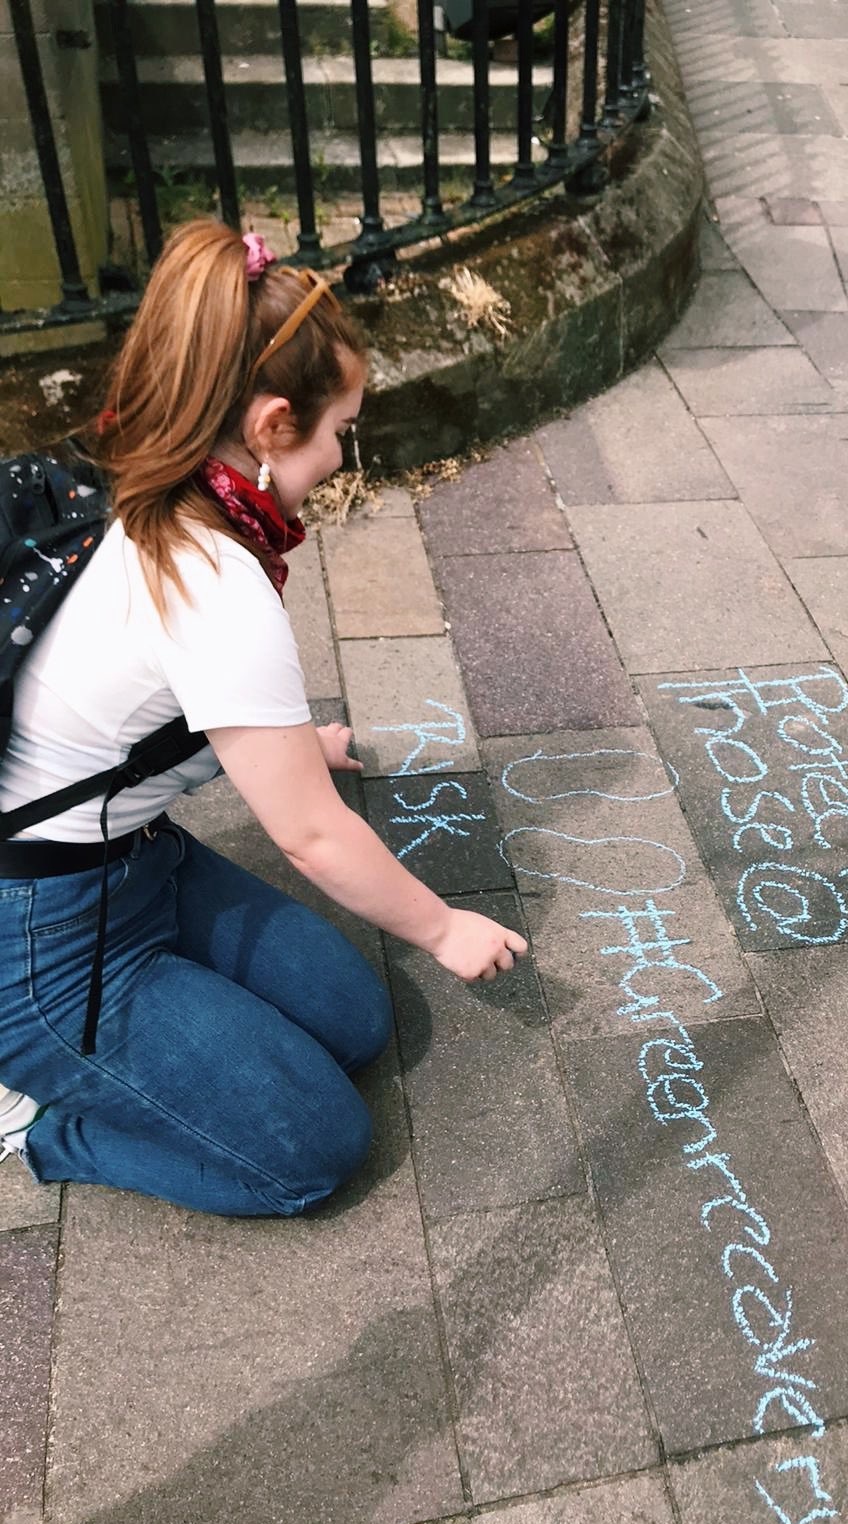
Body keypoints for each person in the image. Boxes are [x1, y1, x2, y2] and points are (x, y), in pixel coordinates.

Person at [0, 220, 527, 1218]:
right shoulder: (214, 579)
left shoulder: (148, 471)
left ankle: (135, 1046)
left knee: (356, 1020)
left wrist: (290, 750)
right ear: (276, 424)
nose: (341, 456)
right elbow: (311, 836)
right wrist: (444, 926)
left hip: (132, 863)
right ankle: (42, 1123)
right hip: (38, 942)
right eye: (341, 432)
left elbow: (154, 702)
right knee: (315, 1145)